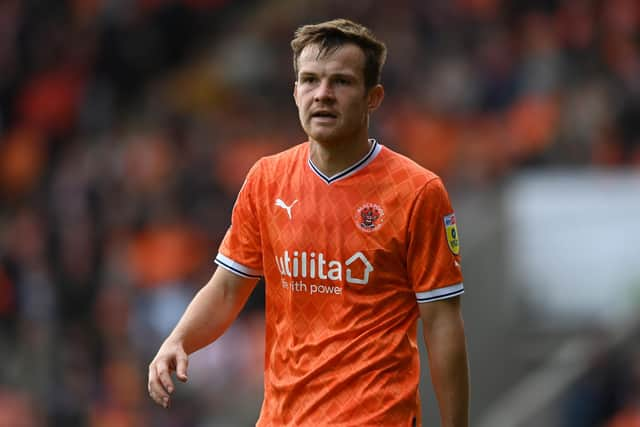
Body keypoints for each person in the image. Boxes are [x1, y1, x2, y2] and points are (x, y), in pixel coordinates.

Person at [148, 18, 470, 426]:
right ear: (295, 91)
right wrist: (179, 339)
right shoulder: (267, 179)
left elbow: (441, 322)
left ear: (373, 97)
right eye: (310, 80)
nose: (323, 94)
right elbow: (228, 289)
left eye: (341, 82)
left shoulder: (418, 192)